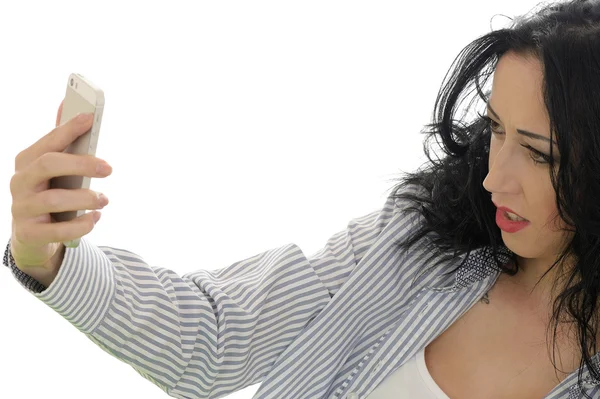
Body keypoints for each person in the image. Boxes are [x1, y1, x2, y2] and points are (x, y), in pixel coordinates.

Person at [5, 0, 600, 398]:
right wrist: (49, 257)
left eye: (540, 154)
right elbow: (219, 331)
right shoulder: (419, 239)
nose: (495, 178)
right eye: (495, 129)